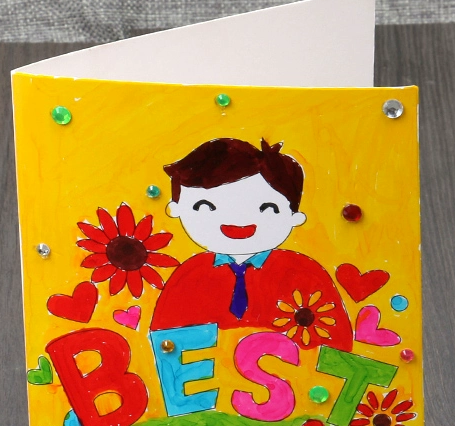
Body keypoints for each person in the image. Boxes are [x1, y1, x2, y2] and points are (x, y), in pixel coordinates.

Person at [151, 137, 353, 351]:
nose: (238, 219)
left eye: (267, 208)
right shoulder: (189, 276)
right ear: (176, 209)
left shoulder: (305, 273)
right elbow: (166, 345)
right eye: (206, 206)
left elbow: (337, 344)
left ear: (294, 217)